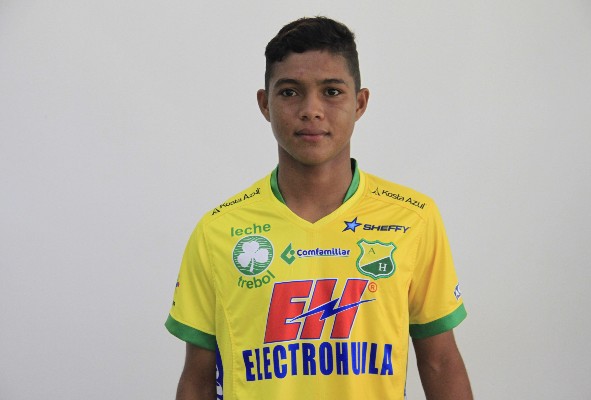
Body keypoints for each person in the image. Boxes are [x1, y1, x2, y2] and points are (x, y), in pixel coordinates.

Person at [166, 16, 473, 400]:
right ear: (265, 104)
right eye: (290, 92)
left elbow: (440, 362)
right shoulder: (218, 230)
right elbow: (197, 378)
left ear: (359, 102)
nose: (311, 110)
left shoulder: (413, 218)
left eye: (331, 91)